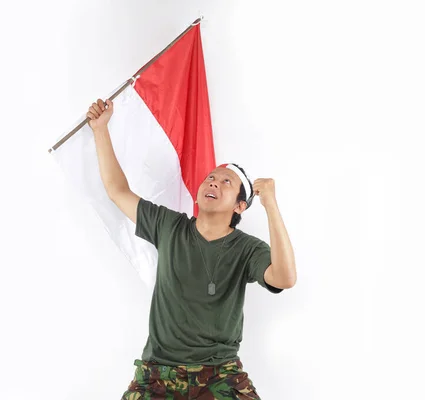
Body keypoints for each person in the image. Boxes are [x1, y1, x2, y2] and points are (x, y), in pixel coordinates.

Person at [86, 98, 297, 399]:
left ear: (240, 205)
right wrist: (100, 130)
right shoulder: (169, 226)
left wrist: (271, 205)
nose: (213, 182)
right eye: (211, 177)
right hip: (158, 373)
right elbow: (118, 191)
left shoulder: (247, 249)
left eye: (226, 181)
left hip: (220, 373)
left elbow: (285, 278)